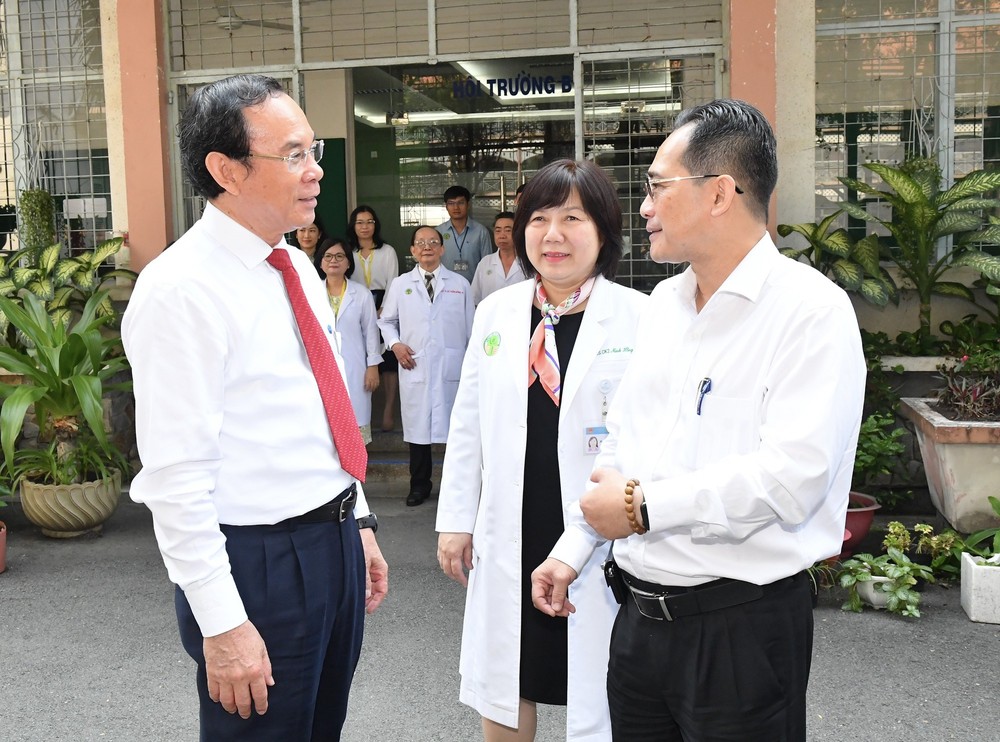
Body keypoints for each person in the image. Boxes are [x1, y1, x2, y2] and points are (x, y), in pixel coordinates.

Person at [531, 100, 866, 742]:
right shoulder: (664, 303)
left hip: (741, 627)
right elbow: (626, 439)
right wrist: (573, 549)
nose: (645, 207)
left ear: (718, 194)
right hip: (640, 621)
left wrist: (643, 509)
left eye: (658, 187)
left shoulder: (810, 312)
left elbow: (792, 478)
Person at [122, 73, 388, 741]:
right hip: (259, 565)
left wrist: (357, 519)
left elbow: (318, 411)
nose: (315, 170)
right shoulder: (181, 291)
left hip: (332, 540)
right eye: (293, 154)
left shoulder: (292, 267)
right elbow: (176, 480)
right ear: (226, 171)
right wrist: (223, 623)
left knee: (320, 726)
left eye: (313, 150)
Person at [436, 159, 648, 742]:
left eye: (573, 218)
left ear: (604, 231)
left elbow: (646, 439)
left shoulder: (639, 318)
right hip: (513, 523)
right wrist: (455, 520)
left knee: (604, 693)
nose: (552, 235)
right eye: (540, 218)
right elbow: (468, 423)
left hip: (593, 529)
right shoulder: (497, 313)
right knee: (508, 678)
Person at [377, 225, 474, 507]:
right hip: (415, 367)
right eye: (421, 242)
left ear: (442, 249)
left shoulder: (460, 284)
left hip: (451, 368)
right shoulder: (401, 284)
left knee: (457, 434)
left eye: (433, 241)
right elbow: (386, 321)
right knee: (418, 434)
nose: (427, 247)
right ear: (413, 251)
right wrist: (395, 344)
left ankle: (456, 490)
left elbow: (472, 330)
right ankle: (419, 486)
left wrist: (471, 368)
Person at [315, 237, 382, 444]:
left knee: (355, 424)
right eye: (327, 256)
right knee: (324, 427)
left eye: (339, 256)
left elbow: (371, 332)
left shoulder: (361, 294)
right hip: (320, 367)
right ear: (320, 262)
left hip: (355, 367)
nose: (333, 260)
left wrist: (373, 366)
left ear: (348, 263)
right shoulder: (311, 292)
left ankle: (355, 476)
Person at [347, 204, 401, 432]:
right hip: (355, 306)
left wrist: (384, 309)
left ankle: (388, 409)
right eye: (360, 222)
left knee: (388, 360)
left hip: (383, 305)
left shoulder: (387, 251)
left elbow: (393, 281)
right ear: (353, 226)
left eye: (369, 222)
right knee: (362, 357)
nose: (365, 227)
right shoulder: (347, 250)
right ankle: (364, 412)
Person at [437, 185, 493, 283]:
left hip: (474, 288)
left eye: (461, 203)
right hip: (445, 288)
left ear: (468, 205)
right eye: (451, 203)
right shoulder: (438, 232)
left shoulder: (481, 231)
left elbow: (487, 263)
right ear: (446, 206)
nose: (456, 207)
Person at [469, 211, 526, 305]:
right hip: (490, 318)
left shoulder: (528, 262)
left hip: (521, 318)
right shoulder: (485, 263)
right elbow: (475, 298)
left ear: (518, 232)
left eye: (508, 230)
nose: (502, 236)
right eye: (498, 231)